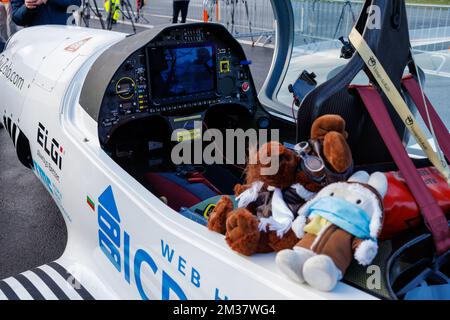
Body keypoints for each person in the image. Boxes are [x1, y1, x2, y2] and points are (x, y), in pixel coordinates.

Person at [11, 0, 81, 27]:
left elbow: (76, 4)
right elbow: (17, 18)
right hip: (37, 40)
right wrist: (27, 7)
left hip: (65, 35)